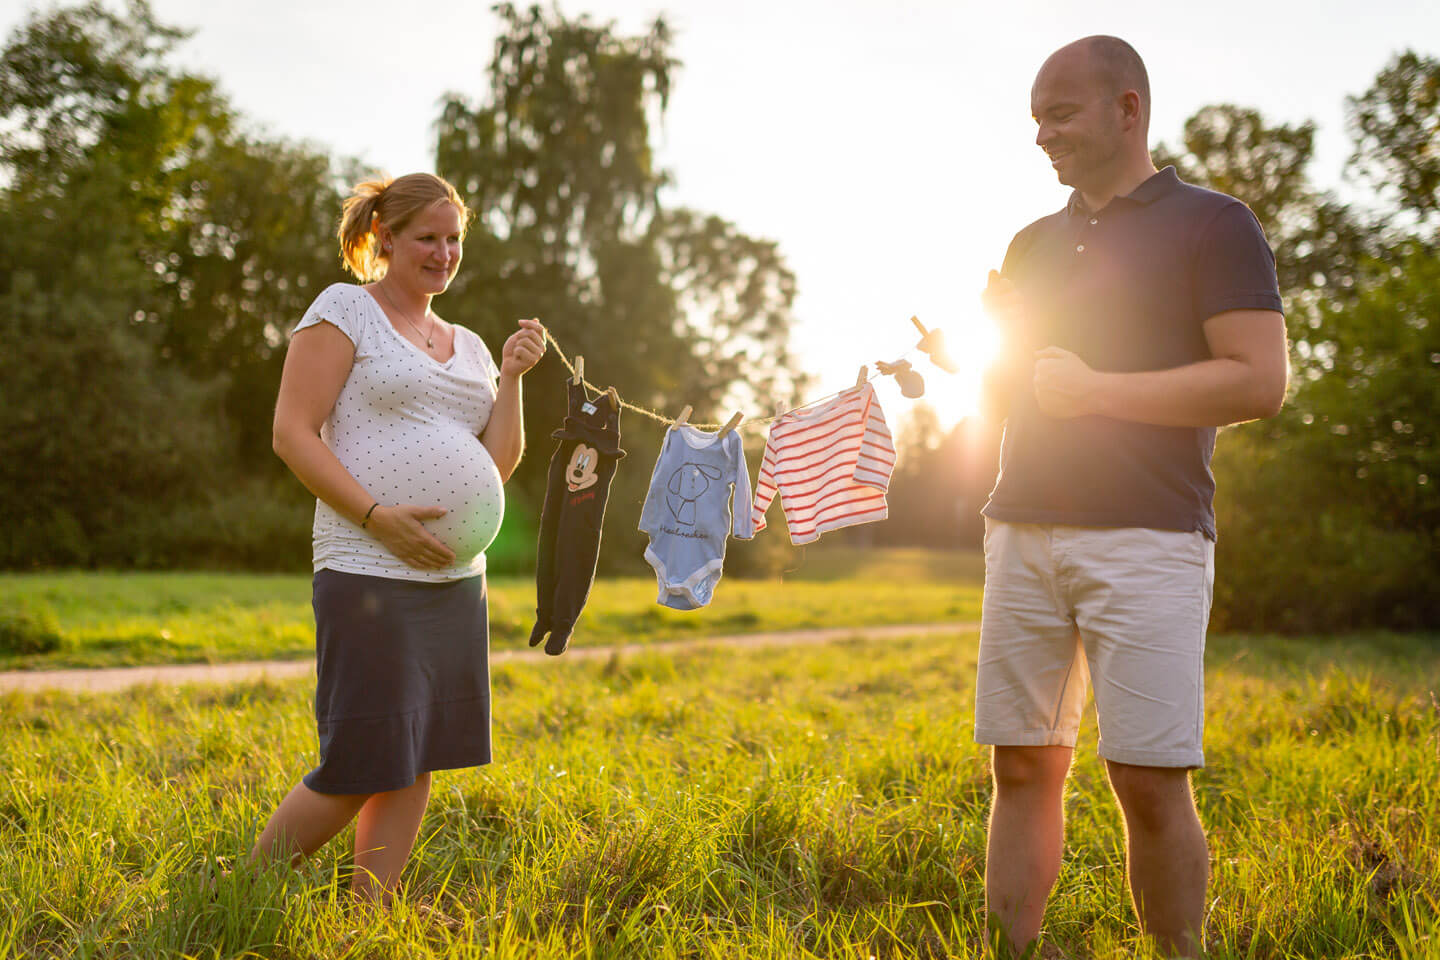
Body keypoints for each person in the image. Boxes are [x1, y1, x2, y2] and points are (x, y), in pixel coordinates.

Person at [974, 37, 1288, 957]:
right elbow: (1017, 383)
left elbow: (1258, 382)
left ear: (1127, 108)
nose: (1041, 135)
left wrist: (1100, 390)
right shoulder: (1030, 242)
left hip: (1149, 536)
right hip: (1021, 526)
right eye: (1034, 116)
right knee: (1023, 764)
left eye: (1059, 114)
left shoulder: (1215, 224)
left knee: (1147, 778)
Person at [248, 172, 545, 904]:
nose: (443, 253)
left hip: (454, 579)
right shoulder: (346, 309)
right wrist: (379, 517)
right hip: (366, 567)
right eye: (427, 238)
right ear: (385, 237)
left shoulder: (471, 345)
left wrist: (510, 378)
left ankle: (369, 913)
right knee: (362, 758)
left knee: (418, 756)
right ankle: (242, 889)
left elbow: (498, 463)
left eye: (454, 240)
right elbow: (292, 433)